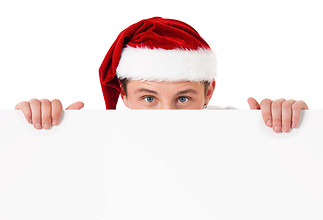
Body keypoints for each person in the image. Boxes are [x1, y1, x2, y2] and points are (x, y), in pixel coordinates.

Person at [15, 17, 308, 133]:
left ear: (208, 92)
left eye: (182, 97)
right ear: (125, 95)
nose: (167, 114)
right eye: (149, 98)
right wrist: (34, 127)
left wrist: (289, 128)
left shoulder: (236, 129)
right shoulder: (98, 134)